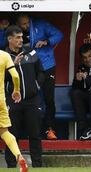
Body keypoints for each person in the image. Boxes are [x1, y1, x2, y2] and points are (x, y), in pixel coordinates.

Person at [16, 14, 63, 140]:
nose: (26, 26)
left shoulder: (41, 24)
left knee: (48, 98)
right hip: (30, 68)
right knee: (31, 99)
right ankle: (31, 131)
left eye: (27, 23)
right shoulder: (15, 31)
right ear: (18, 23)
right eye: (23, 24)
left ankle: (50, 129)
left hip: (47, 65)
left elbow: (59, 35)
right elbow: (4, 42)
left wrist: (46, 41)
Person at [3, 25, 44, 168]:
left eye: (22, 37)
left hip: (32, 100)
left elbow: (41, 71)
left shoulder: (31, 52)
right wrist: (12, 66)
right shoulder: (3, 56)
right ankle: (11, 166)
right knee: (12, 135)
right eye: (18, 37)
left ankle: (38, 165)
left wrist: (37, 85)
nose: (21, 40)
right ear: (10, 39)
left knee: (35, 134)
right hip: (13, 101)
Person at [0, 51, 28, 172]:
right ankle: (19, 156)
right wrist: (16, 90)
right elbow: (15, 76)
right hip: (1, 101)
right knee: (4, 132)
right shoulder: (4, 55)